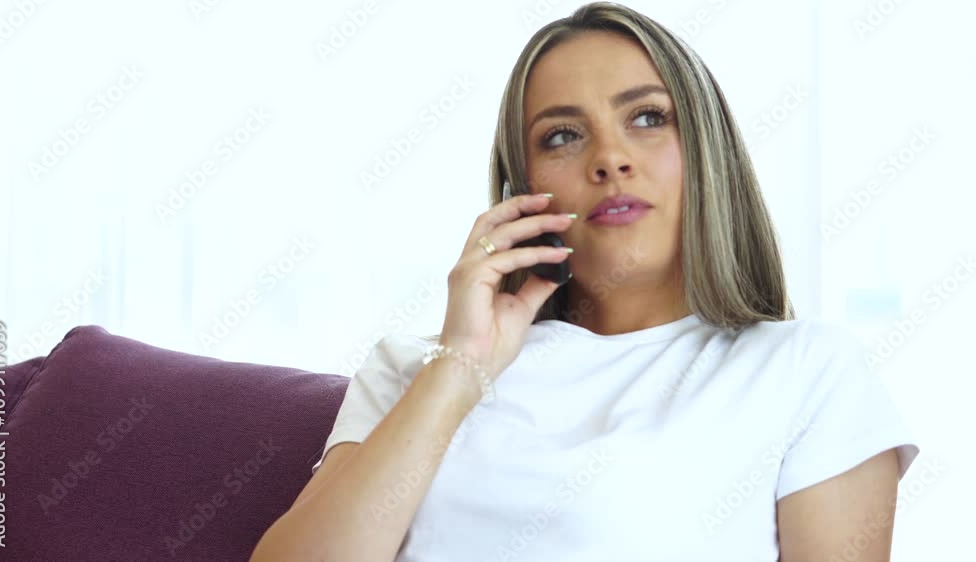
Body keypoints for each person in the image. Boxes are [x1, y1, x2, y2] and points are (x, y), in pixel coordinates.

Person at [251, 2, 920, 560]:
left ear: (707, 152)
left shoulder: (806, 372)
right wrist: (460, 369)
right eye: (563, 136)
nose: (610, 158)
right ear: (522, 191)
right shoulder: (411, 370)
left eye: (648, 118)